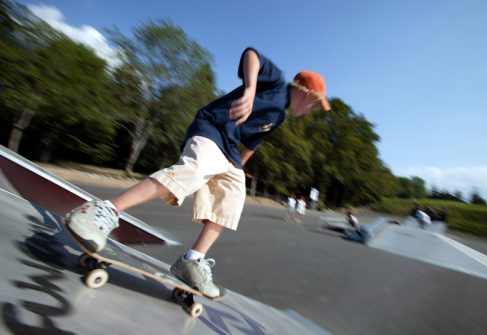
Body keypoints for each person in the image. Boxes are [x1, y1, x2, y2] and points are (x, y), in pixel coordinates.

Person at [65, 47, 331, 298]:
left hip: (230, 151)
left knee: (232, 199)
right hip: (212, 128)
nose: (311, 112)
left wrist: (238, 169)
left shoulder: (279, 117)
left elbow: (252, 144)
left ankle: (192, 262)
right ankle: (101, 212)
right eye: (315, 106)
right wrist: (250, 90)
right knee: (193, 170)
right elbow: (252, 55)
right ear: (308, 94)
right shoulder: (275, 84)